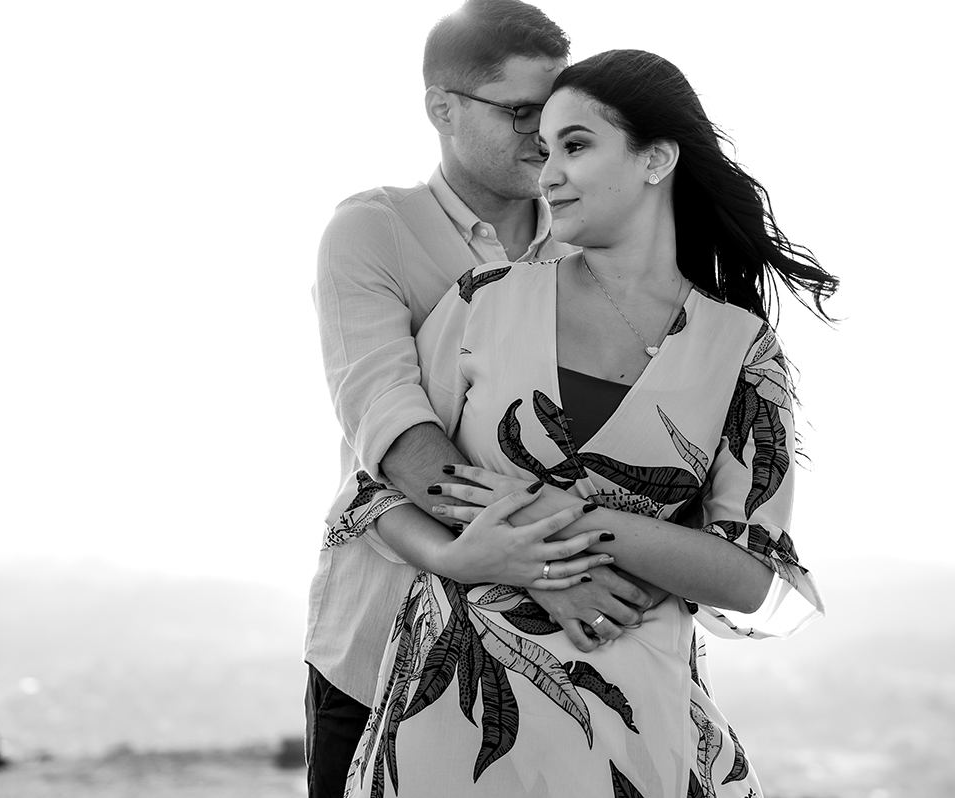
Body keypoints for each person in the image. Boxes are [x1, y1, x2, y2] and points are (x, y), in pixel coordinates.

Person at [342, 49, 838, 797]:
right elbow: (373, 495)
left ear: (656, 159)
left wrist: (569, 520)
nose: (548, 174)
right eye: (544, 150)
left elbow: (753, 577)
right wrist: (467, 559)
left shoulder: (741, 350)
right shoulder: (485, 299)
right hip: (451, 722)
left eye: (575, 145)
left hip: (634, 727)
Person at [307, 3, 659, 796]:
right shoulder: (372, 232)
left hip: (565, 663)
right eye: (522, 112)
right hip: (383, 649)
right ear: (443, 109)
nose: (545, 135)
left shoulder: (596, 242)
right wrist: (552, 566)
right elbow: (398, 436)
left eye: (559, 111)